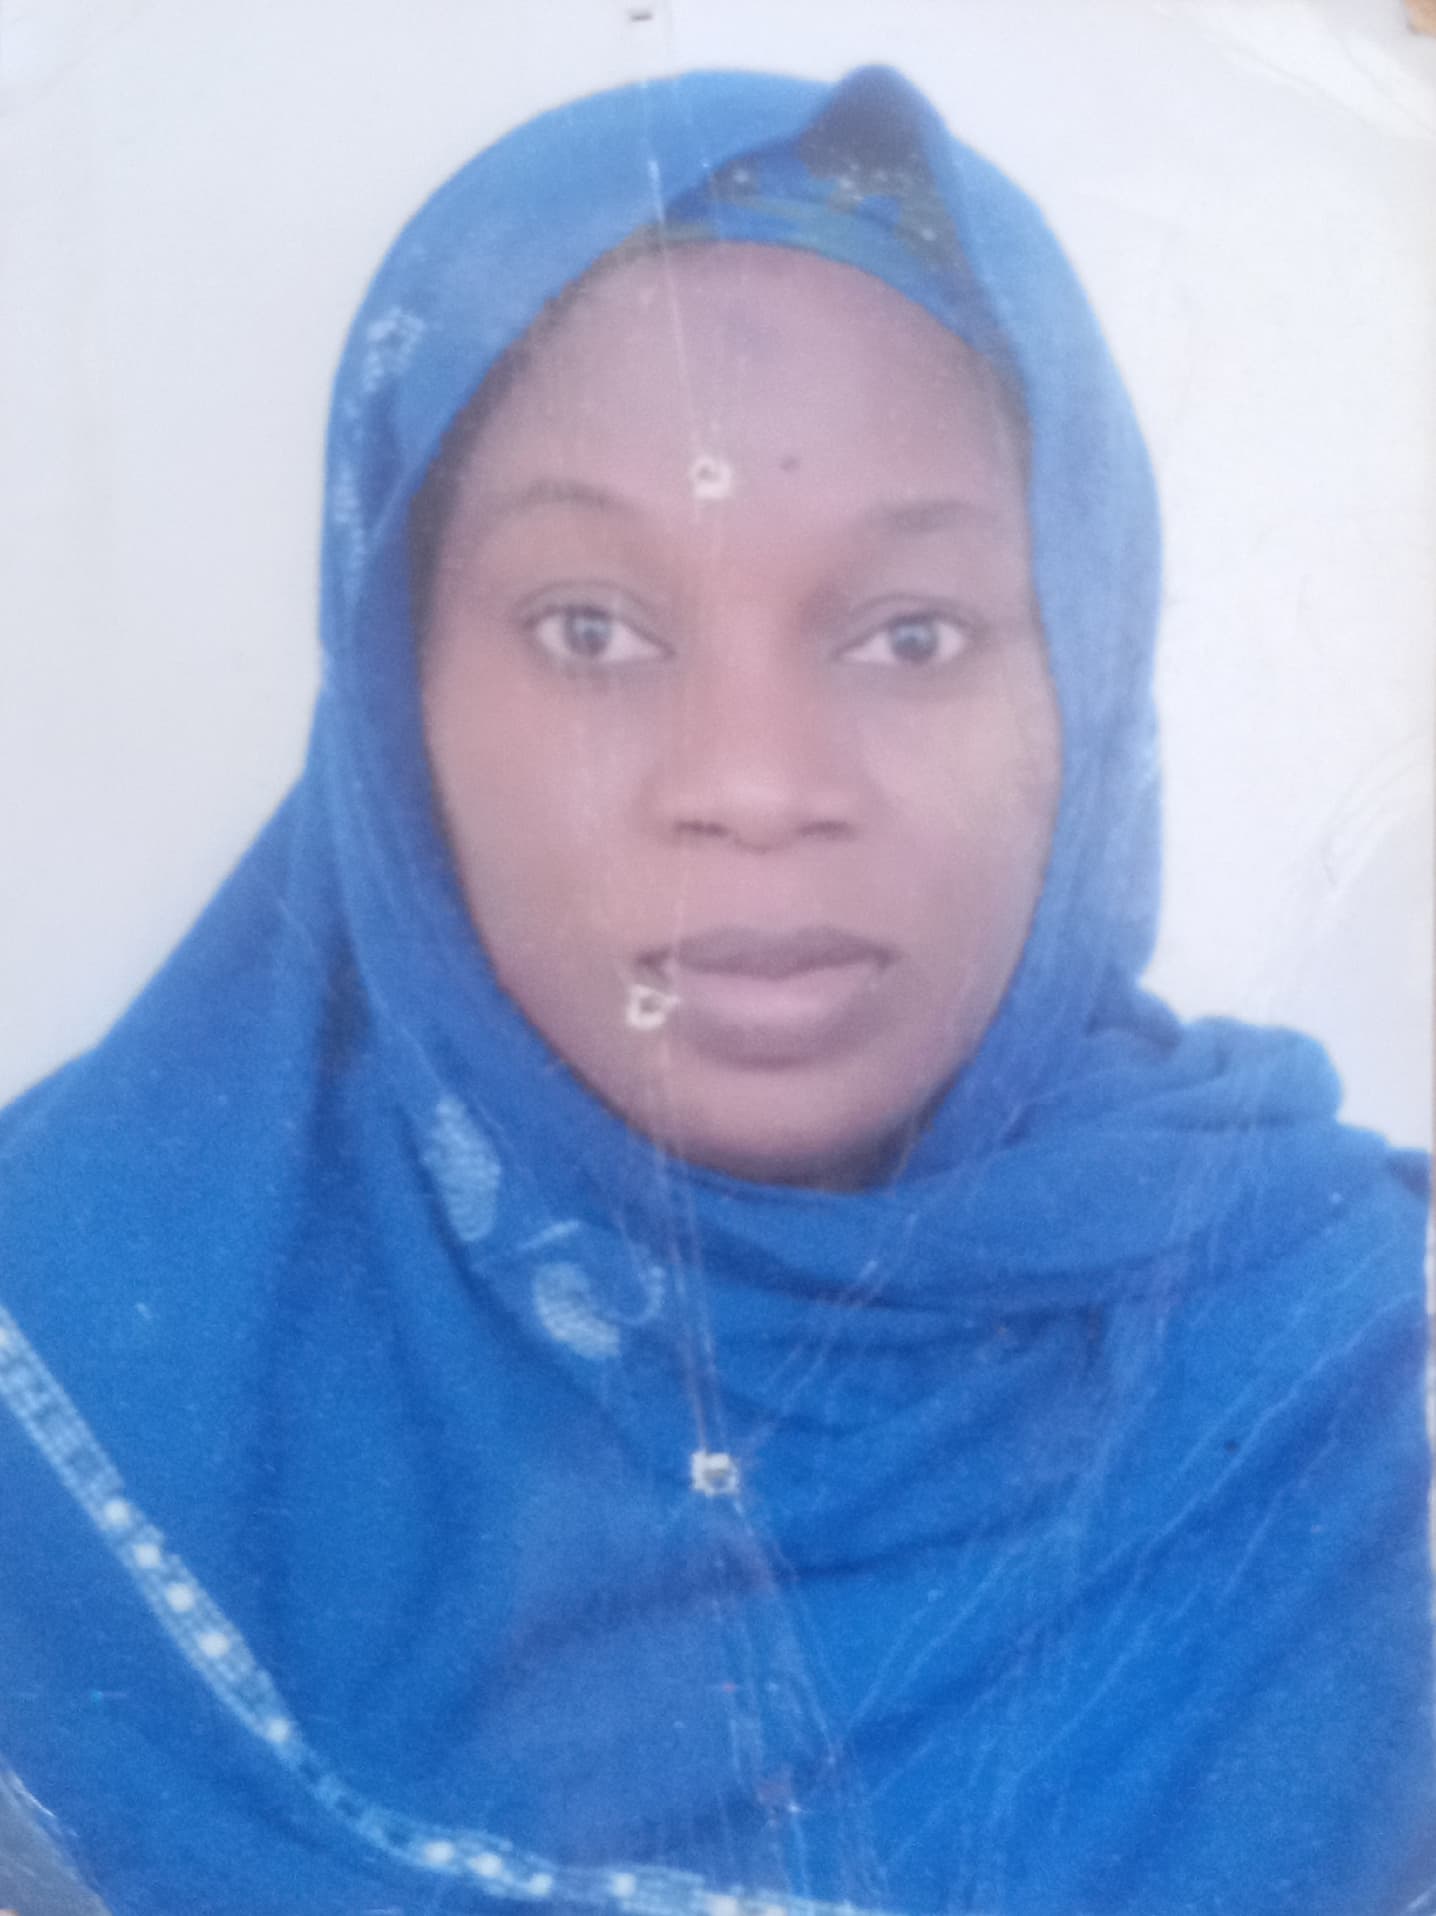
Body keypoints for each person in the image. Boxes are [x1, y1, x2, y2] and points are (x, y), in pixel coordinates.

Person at [0, 62, 1431, 1916]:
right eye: (591, 629)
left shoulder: (1360, 1385)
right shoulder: (61, 1361)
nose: (756, 784)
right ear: (396, 700)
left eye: (911, 633)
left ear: (1083, 673)